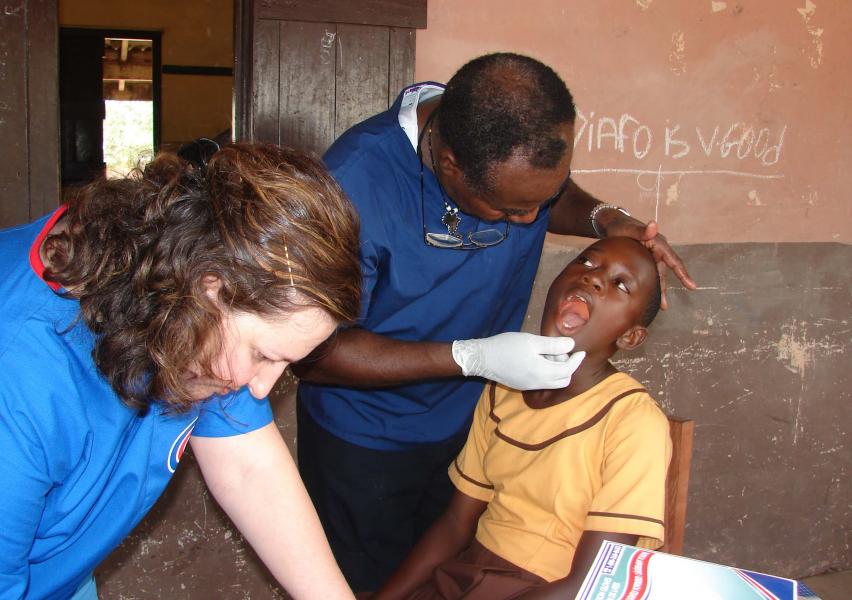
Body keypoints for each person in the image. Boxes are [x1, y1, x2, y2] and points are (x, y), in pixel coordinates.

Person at [292, 52, 695, 592]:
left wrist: (606, 220)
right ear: (451, 164)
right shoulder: (351, 187)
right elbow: (312, 354)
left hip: (467, 421)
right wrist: (472, 357)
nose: (528, 221)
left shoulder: (510, 131)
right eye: (507, 211)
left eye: (541, 200)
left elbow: (544, 195)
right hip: (367, 439)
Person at [0, 143, 361, 599]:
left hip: (57, 569)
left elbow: (249, 467)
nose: (261, 388)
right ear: (208, 290)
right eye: (264, 355)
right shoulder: (12, 377)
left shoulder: (194, 299)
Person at [374, 236, 672, 599]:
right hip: (467, 576)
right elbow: (455, 525)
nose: (593, 279)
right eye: (588, 263)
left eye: (621, 284)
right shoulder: (505, 388)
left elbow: (592, 584)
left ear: (630, 337)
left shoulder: (632, 421)